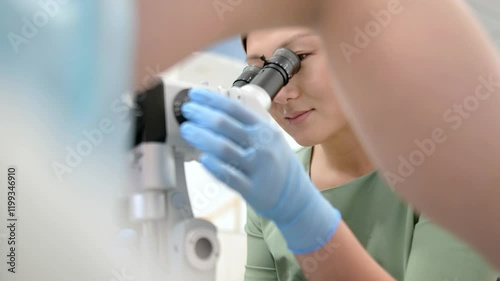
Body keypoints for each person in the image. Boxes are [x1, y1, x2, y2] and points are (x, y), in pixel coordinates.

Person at [137, 0, 500, 269]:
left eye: (298, 58)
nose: (280, 93)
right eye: (257, 72)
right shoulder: (272, 181)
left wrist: (301, 215)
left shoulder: (444, 172)